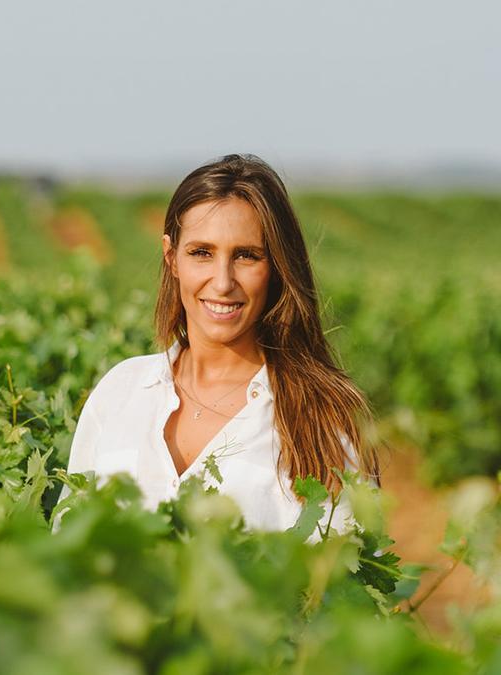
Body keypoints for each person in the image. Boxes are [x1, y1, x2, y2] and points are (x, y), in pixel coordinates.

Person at [64, 154, 377, 531]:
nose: (223, 281)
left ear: (276, 268)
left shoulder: (321, 419)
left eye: (246, 256)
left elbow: (343, 573)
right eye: (202, 253)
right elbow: (68, 539)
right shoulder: (120, 391)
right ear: (172, 258)